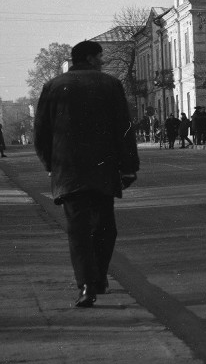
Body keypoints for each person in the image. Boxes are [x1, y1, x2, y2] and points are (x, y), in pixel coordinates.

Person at [34, 40, 139, 308]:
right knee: (106, 227)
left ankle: (86, 286)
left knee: (78, 231)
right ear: (91, 58)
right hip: (103, 170)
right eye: (100, 57)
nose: (102, 61)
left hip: (68, 171)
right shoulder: (110, 85)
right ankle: (99, 278)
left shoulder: (53, 86)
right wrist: (128, 168)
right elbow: (124, 129)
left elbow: (41, 133)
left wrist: (51, 164)